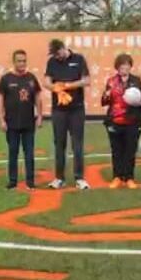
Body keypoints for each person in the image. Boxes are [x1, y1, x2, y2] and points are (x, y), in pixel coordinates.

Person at [44, 39, 91, 190]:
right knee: (59, 144)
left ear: (64, 48)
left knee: (77, 144)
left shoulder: (79, 59)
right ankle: (59, 178)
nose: (57, 57)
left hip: (76, 109)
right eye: (54, 55)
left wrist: (68, 85)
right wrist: (55, 88)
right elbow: (46, 82)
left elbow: (86, 80)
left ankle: (80, 178)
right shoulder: (52, 62)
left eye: (58, 53)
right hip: (59, 110)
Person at [0, 49, 42, 190]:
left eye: (24, 61)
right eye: (19, 61)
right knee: (13, 153)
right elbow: (0, 99)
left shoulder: (31, 78)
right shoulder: (6, 79)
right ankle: (12, 182)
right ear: (14, 62)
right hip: (11, 123)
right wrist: (1, 119)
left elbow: (38, 97)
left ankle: (30, 182)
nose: (22, 63)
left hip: (28, 123)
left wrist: (40, 116)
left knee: (29, 153)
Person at [101, 53, 141, 188]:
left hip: (133, 120)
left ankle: (129, 177)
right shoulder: (111, 81)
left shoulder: (136, 81)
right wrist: (106, 95)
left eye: (127, 65)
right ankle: (117, 177)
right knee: (116, 150)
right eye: (122, 65)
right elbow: (104, 102)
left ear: (130, 66)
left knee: (130, 150)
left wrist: (138, 101)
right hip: (115, 120)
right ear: (117, 67)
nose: (124, 68)